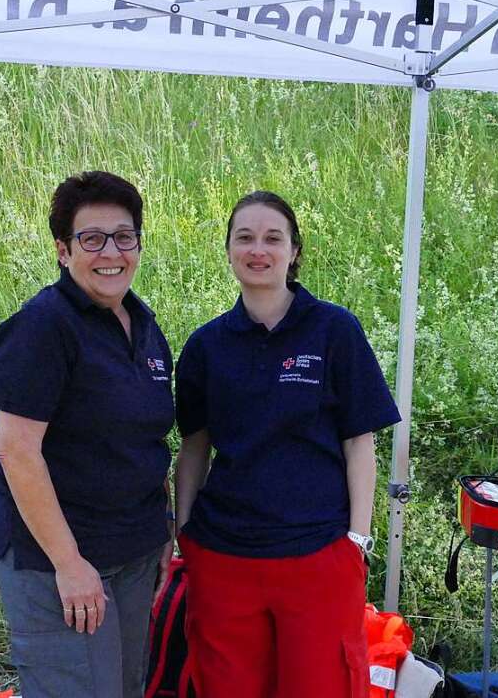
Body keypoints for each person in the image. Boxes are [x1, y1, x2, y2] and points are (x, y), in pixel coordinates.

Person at [173, 190, 401, 698]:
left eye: (273, 238)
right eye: (245, 238)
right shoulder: (206, 345)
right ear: (229, 249)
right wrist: (183, 532)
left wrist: (357, 542)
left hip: (318, 557)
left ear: (294, 250)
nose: (259, 249)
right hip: (224, 560)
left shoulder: (334, 330)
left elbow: (359, 443)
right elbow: (193, 449)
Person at [0, 171, 175, 698]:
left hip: (133, 551)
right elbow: (16, 451)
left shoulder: (144, 325)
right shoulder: (42, 328)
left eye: (124, 236)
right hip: (60, 564)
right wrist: (69, 565)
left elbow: (147, 441)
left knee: (125, 687)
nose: (110, 251)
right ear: (64, 251)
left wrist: (163, 528)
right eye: (92, 238)